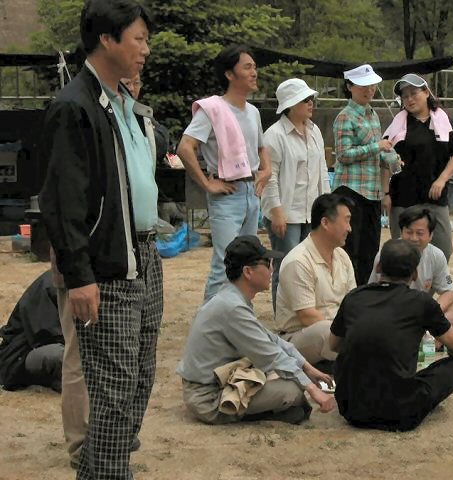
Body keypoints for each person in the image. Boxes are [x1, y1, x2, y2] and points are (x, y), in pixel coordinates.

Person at [39, 1, 163, 478]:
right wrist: (79, 276)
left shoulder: (123, 103)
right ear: (107, 40)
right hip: (106, 264)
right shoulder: (75, 106)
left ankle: (103, 469)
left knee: (139, 378)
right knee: (112, 391)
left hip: (144, 253)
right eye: (139, 39)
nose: (145, 50)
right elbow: (62, 200)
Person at [176, 235, 335, 425]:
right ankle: (251, 415)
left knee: (287, 378)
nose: (272, 269)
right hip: (208, 397)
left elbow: (272, 340)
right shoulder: (232, 307)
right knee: (292, 390)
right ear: (248, 271)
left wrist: (308, 368)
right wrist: (312, 388)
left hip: (214, 384)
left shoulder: (232, 298)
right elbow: (270, 354)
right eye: (267, 264)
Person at [329, 239, 453, 432]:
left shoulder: (354, 297)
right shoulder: (421, 302)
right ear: (415, 274)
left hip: (351, 409)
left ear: (378, 267)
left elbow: (334, 345)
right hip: (400, 413)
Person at [177, 44, 271, 302]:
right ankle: (209, 322)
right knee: (225, 263)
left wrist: (266, 170)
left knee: (248, 263)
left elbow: (261, 148)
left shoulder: (252, 112)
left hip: (250, 192)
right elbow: (185, 147)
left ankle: (238, 317)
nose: (254, 73)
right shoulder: (212, 109)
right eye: (247, 67)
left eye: (254, 67)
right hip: (227, 194)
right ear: (229, 74)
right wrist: (207, 184)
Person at [261, 78, 330, 306]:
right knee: (286, 266)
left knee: (309, 264)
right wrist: (276, 211)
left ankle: (304, 311)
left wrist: (326, 205)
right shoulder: (274, 135)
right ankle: (283, 315)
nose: (311, 103)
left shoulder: (314, 130)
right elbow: (270, 176)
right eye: (305, 99)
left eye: (311, 99)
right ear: (290, 104)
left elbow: (322, 170)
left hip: (311, 211)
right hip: (286, 213)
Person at [384, 73, 453, 260]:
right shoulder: (398, 124)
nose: (409, 99)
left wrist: (442, 179)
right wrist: (386, 193)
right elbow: (385, 158)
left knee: (443, 250)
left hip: (434, 197)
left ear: (426, 92)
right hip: (403, 197)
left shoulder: (443, 120)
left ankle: (430, 281)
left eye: (414, 93)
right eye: (405, 96)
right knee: (402, 254)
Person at [332, 64, 398, 285]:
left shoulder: (373, 114)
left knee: (370, 249)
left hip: (372, 192)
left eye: (372, 86)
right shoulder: (344, 117)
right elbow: (343, 155)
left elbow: (376, 152)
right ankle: (349, 293)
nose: (369, 90)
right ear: (350, 87)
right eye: (363, 86)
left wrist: (390, 157)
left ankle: (364, 292)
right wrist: (377, 147)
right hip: (350, 190)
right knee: (350, 249)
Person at [276, 193, 356, 366]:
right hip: (299, 337)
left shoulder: (342, 256)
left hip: (337, 332)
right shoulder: (298, 261)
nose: (349, 228)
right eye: (346, 221)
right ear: (325, 223)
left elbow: (353, 303)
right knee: (325, 331)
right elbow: (307, 317)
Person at [368, 205, 453, 331]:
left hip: (420, 311)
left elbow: (448, 292)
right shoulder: (386, 254)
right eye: (409, 232)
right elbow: (373, 291)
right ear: (401, 231)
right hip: (391, 310)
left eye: (420, 233)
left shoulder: (436, 256)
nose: (413, 238)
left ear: (431, 235)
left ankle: (426, 338)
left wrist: (430, 312)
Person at [0, 271, 63, 393]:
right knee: (65, 356)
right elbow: (45, 336)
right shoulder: (50, 285)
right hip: (22, 354)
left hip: (46, 348)